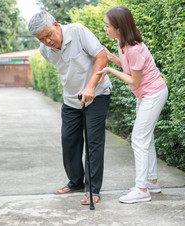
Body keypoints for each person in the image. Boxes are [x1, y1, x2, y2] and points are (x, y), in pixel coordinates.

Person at [28, 11, 111, 205]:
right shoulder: (45, 50)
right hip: (71, 99)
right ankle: (76, 182)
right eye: (41, 38)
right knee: (69, 141)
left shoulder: (78, 31)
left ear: (56, 25)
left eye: (48, 35)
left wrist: (90, 86)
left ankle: (92, 189)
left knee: (93, 142)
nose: (47, 41)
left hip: (97, 94)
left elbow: (101, 57)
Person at [97, 6, 168, 203]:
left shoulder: (135, 48)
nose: (105, 28)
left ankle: (142, 190)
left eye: (107, 25)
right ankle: (151, 181)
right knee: (146, 139)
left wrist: (110, 69)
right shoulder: (122, 43)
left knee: (138, 139)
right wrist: (112, 57)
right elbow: (128, 67)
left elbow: (134, 80)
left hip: (153, 93)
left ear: (119, 28)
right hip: (145, 96)